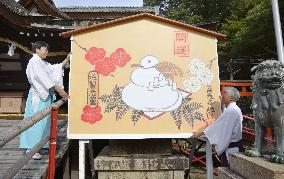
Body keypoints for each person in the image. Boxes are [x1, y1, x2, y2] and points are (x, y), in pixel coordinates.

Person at [19, 41, 70, 160]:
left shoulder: (41, 62)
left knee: (44, 121)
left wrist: (67, 59)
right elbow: (45, 80)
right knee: (36, 120)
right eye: (44, 49)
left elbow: (54, 69)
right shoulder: (34, 62)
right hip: (39, 95)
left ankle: (39, 145)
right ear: (37, 50)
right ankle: (31, 148)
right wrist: (60, 91)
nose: (47, 52)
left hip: (44, 95)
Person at [192, 86, 244, 167]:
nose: (222, 96)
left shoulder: (231, 111)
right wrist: (222, 105)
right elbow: (223, 119)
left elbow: (217, 126)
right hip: (234, 147)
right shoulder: (234, 109)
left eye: (225, 93)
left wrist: (200, 132)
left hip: (232, 149)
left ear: (231, 98)